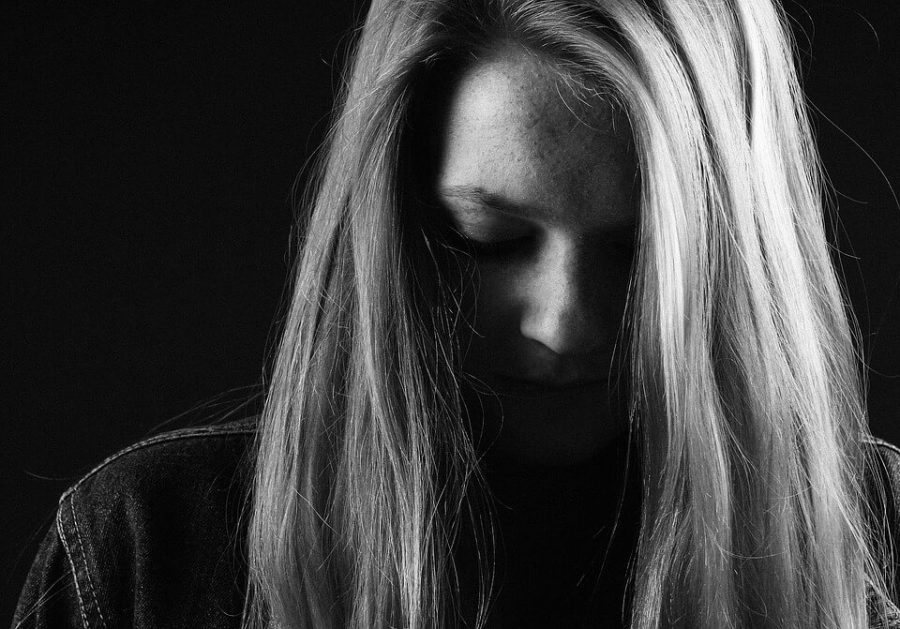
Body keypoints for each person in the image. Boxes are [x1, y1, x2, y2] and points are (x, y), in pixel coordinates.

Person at [12, 0, 900, 627]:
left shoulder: (879, 542)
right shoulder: (147, 549)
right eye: (487, 238)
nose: (564, 326)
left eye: (644, 255)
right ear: (390, 224)